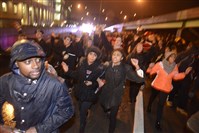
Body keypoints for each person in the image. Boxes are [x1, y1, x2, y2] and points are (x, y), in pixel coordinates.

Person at [0, 39, 74, 133]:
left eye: (38, 60)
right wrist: (1, 126)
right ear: (16, 63)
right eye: (28, 62)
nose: (36, 66)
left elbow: (67, 111)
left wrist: (39, 129)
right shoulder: (5, 81)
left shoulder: (55, 84)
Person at [99, 48, 145, 133]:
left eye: (118, 55)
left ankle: (111, 130)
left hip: (116, 95)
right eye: (114, 54)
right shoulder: (107, 65)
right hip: (106, 92)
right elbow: (97, 72)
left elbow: (140, 79)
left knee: (113, 116)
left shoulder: (125, 68)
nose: (115, 57)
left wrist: (137, 66)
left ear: (122, 58)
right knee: (103, 105)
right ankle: (107, 111)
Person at [61, 46, 103, 133]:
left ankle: (82, 129)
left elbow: (100, 83)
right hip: (80, 92)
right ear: (87, 54)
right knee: (81, 108)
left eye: (94, 55)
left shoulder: (99, 68)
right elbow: (76, 75)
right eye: (90, 54)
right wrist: (67, 71)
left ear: (96, 57)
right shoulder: (82, 63)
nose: (92, 56)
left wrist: (93, 83)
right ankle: (86, 112)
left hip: (90, 94)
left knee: (82, 113)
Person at [146, 51, 192, 131]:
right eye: (171, 57)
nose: (173, 59)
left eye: (174, 57)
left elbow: (176, 77)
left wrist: (184, 73)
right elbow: (151, 71)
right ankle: (149, 105)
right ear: (168, 57)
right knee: (152, 97)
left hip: (166, 87)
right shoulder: (160, 64)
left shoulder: (175, 67)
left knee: (161, 104)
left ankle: (158, 122)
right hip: (157, 85)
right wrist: (149, 67)